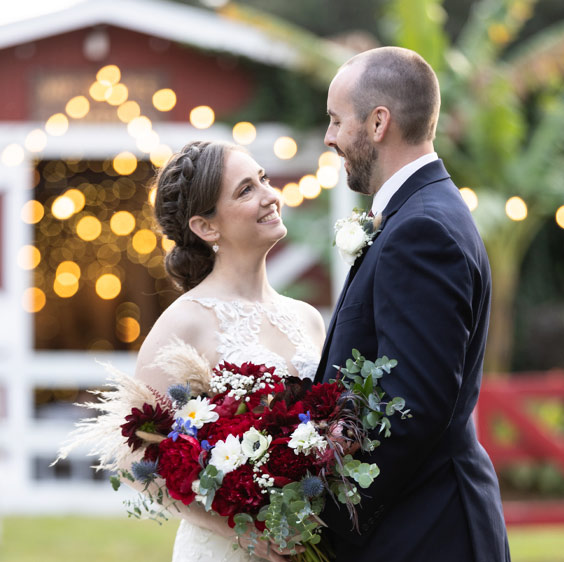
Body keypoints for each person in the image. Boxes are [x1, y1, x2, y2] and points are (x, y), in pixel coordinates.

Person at [314, 47, 511, 561]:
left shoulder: (422, 230)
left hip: (429, 530)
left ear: (379, 122)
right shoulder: (419, 214)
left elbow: (412, 411)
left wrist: (325, 521)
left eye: (336, 120)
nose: (329, 137)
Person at [135, 140, 326, 562]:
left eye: (263, 180)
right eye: (245, 191)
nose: (269, 196)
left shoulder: (308, 318)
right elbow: (134, 463)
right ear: (206, 227)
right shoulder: (185, 321)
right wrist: (240, 533)